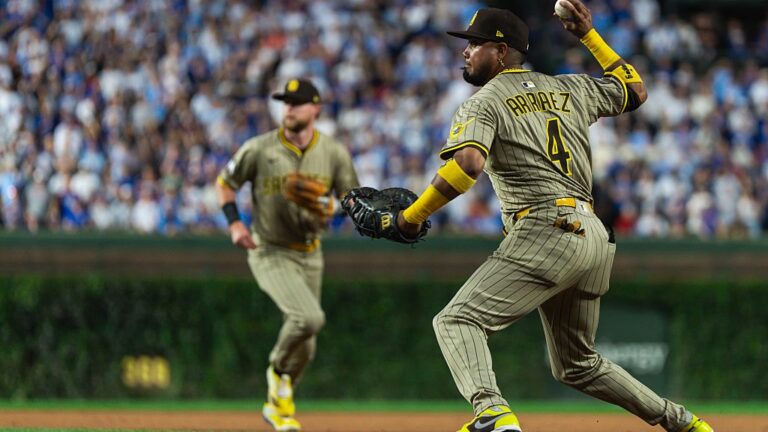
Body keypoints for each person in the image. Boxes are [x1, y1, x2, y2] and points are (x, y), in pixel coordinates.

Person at [392, 4, 714, 432]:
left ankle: (491, 415)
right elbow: (635, 90)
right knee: (577, 364)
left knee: (457, 320)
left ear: (502, 51)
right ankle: (685, 424)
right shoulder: (570, 88)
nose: (465, 52)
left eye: (474, 43)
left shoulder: (483, 102)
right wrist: (589, 35)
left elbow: (466, 165)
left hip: (545, 228)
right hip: (593, 238)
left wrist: (410, 218)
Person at [216, 78, 359, 432]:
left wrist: (333, 207)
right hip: (270, 249)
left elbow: (353, 201)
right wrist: (235, 225)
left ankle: (277, 409)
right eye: (285, 102)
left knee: (307, 349)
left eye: (297, 102)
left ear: (316, 109)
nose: (289, 108)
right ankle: (277, 369)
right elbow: (225, 184)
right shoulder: (259, 148)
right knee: (309, 319)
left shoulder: (334, 153)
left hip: (310, 252)